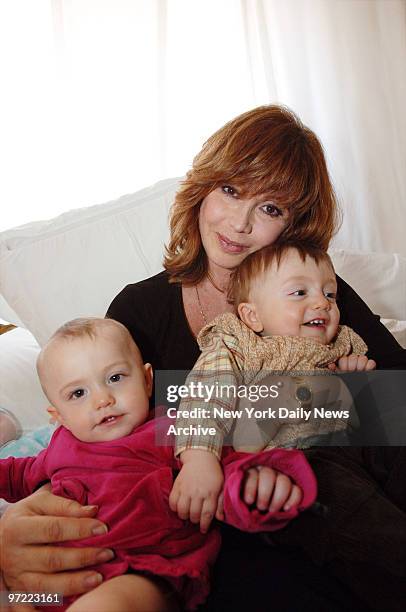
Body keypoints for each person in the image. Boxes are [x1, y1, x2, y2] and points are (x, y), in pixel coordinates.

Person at [1, 105, 405, 610]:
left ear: (294, 226)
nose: (240, 223)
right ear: (203, 189)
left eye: (271, 208)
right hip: (225, 530)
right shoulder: (139, 310)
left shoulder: (310, 294)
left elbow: (395, 400)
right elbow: (110, 442)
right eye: (231, 190)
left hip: (328, 474)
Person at [0, 317, 317, 611]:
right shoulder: (58, 446)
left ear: (147, 380)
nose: (103, 399)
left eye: (115, 378)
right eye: (78, 393)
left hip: (140, 571)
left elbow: (224, 467)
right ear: (58, 417)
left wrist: (256, 484)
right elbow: (17, 474)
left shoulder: (172, 429)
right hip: (56, 578)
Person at [169, 242, 406, 611]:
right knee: (363, 525)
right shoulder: (236, 344)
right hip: (297, 462)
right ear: (252, 316)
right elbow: (205, 397)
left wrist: (353, 378)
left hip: (358, 445)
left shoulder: (342, 341)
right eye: (299, 293)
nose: (323, 303)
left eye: (329, 293)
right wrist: (199, 457)